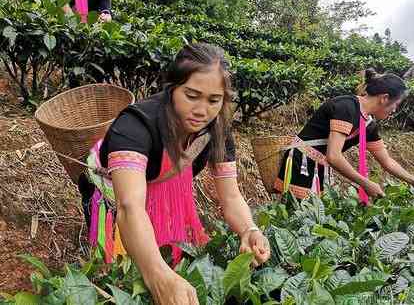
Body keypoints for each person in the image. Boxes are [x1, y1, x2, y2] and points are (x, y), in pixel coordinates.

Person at [78, 43, 271, 304]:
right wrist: (159, 275)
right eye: (192, 95)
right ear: (172, 88)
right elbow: (129, 207)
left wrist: (249, 229)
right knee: (120, 272)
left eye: (214, 100)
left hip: (158, 190)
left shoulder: (217, 131)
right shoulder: (136, 125)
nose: (202, 110)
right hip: (116, 191)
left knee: (164, 260)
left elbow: (231, 197)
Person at [274, 68, 414, 204]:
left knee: (312, 216)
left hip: (319, 168)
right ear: (384, 98)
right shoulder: (346, 108)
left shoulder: (368, 124)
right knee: (297, 216)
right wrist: (365, 183)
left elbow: (387, 162)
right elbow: (334, 157)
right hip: (301, 164)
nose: (394, 110)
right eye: (396, 104)